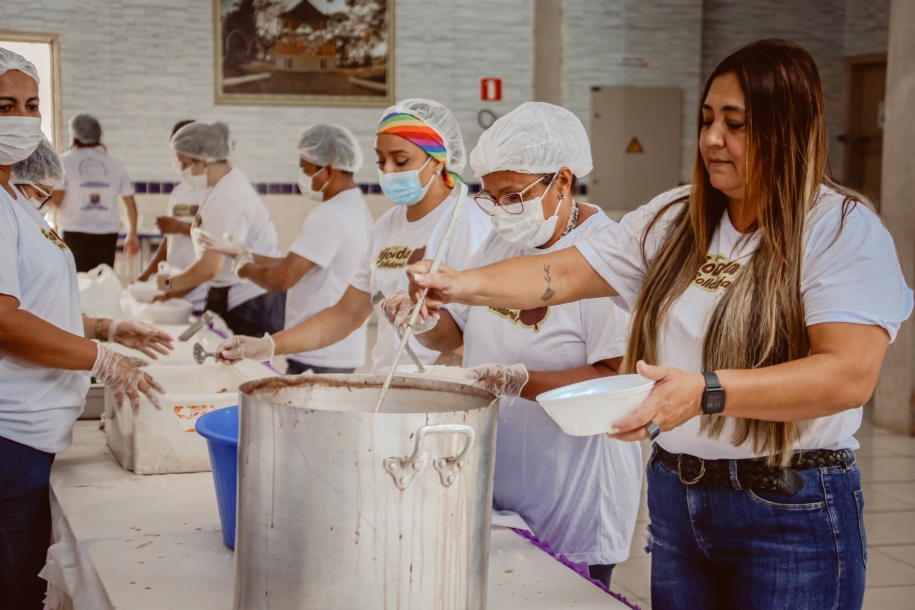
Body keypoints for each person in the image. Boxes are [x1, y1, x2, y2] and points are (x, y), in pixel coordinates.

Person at [408, 40, 914, 610]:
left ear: (789, 129)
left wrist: (706, 393)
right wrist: (455, 283)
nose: (712, 139)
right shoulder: (678, 218)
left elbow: (847, 377)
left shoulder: (840, 230)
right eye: (707, 120)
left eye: (736, 123)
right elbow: (563, 272)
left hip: (788, 504)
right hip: (680, 496)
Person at [381, 102, 642, 586]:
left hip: (575, 490)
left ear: (562, 181)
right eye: (490, 196)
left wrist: (515, 381)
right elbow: (456, 336)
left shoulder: (607, 253)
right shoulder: (505, 241)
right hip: (503, 481)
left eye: (512, 196)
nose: (501, 210)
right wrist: (420, 320)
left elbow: (616, 381)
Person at [0, 48, 171, 610]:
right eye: (5, 105)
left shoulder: (16, 203)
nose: (22, 118)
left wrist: (106, 326)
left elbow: (35, 301)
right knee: (15, 585)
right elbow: (3, 320)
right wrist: (98, 356)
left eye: (31, 104)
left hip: (34, 428)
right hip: (10, 433)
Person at [213, 99, 491, 373]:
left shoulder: (467, 222)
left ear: (438, 161)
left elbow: (485, 325)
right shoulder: (386, 226)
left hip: (440, 391)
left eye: (401, 160)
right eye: (381, 161)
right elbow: (345, 314)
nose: (387, 171)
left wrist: (448, 377)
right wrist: (266, 346)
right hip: (390, 383)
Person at [198, 123, 373, 374]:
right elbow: (298, 262)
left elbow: (282, 277)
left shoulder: (330, 215)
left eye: (306, 169)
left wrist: (244, 269)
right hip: (337, 349)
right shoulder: (356, 207)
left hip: (319, 353)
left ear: (330, 170)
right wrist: (244, 252)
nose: (302, 176)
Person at [154, 120, 285, 337]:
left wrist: (169, 283)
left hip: (251, 302)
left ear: (204, 158)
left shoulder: (226, 196)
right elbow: (211, 265)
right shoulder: (221, 187)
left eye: (184, 163)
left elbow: (209, 268)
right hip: (235, 295)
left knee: (246, 367)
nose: (182, 171)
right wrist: (174, 293)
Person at [49, 113, 140, 271]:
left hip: (73, 233)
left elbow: (56, 202)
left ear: (73, 136)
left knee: (77, 284)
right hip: (107, 234)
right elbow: (130, 203)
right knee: (102, 283)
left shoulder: (63, 162)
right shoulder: (115, 164)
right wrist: (132, 234)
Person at [137, 120, 209, 312]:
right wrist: (147, 273)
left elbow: (215, 239)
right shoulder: (179, 191)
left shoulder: (214, 190)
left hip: (203, 295)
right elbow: (169, 241)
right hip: (175, 292)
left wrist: (179, 227)